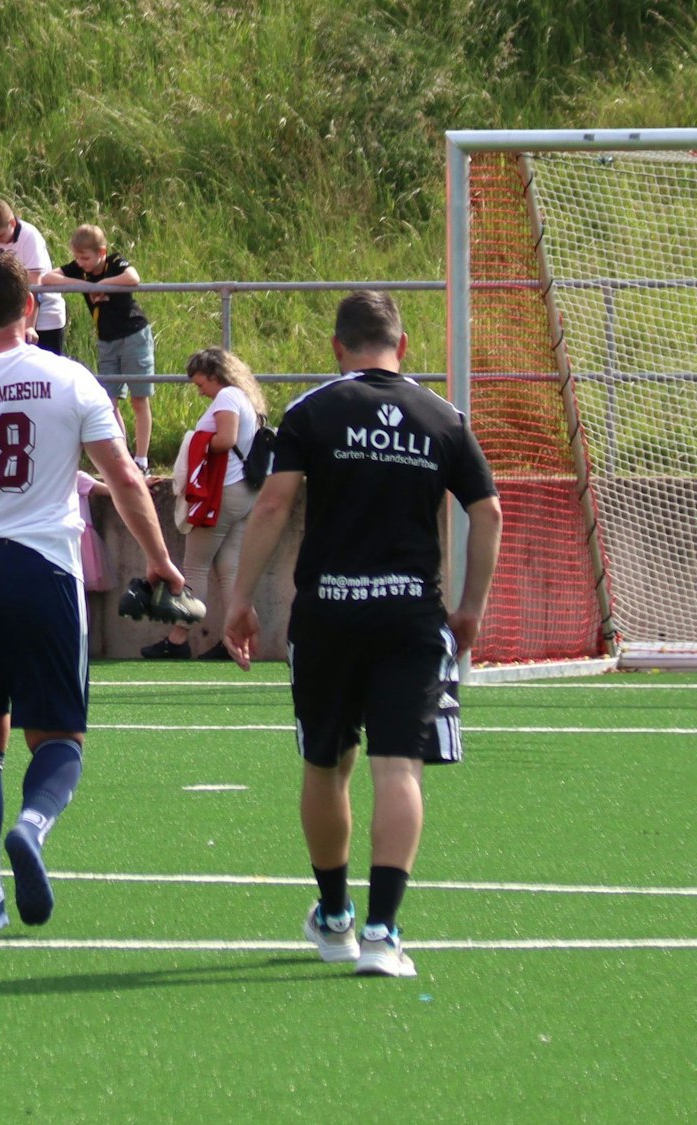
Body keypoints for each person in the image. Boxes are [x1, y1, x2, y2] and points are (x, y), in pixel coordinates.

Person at [0, 250, 181, 930]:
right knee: (59, 738)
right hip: (43, 568)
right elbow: (124, 479)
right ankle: (33, 825)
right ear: (29, 308)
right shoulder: (68, 379)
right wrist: (160, 559)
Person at [223, 291, 501, 979]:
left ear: (336, 348)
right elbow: (488, 512)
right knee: (398, 766)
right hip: (411, 615)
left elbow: (275, 503)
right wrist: (470, 606)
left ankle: (335, 916)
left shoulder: (313, 410)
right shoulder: (443, 416)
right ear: (402, 346)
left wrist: (239, 599)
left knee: (326, 763)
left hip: (329, 613)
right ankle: (383, 930)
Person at [144, 347, 266, 660]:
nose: (200, 392)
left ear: (215, 375)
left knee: (195, 567)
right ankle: (234, 639)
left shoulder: (226, 397)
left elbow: (225, 439)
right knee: (229, 570)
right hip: (244, 492)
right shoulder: (245, 397)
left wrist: (194, 443)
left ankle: (178, 639)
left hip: (222, 491)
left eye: (201, 384)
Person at [44, 224, 154, 470]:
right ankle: (123, 457)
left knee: (139, 399)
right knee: (109, 401)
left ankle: (142, 459)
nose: (80, 263)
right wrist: (84, 285)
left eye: (85, 258)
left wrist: (102, 284)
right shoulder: (80, 269)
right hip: (106, 340)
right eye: (77, 258)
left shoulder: (114, 262)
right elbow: (48, 278)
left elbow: (133, 278)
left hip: (133, 335)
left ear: (101, 252)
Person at [0, 199, 66, 357]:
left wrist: (29, 326)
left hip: (44, 319)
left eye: (0, 236)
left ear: (12, 223)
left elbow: (34, 287)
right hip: (11, 319)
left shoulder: (30, 237)